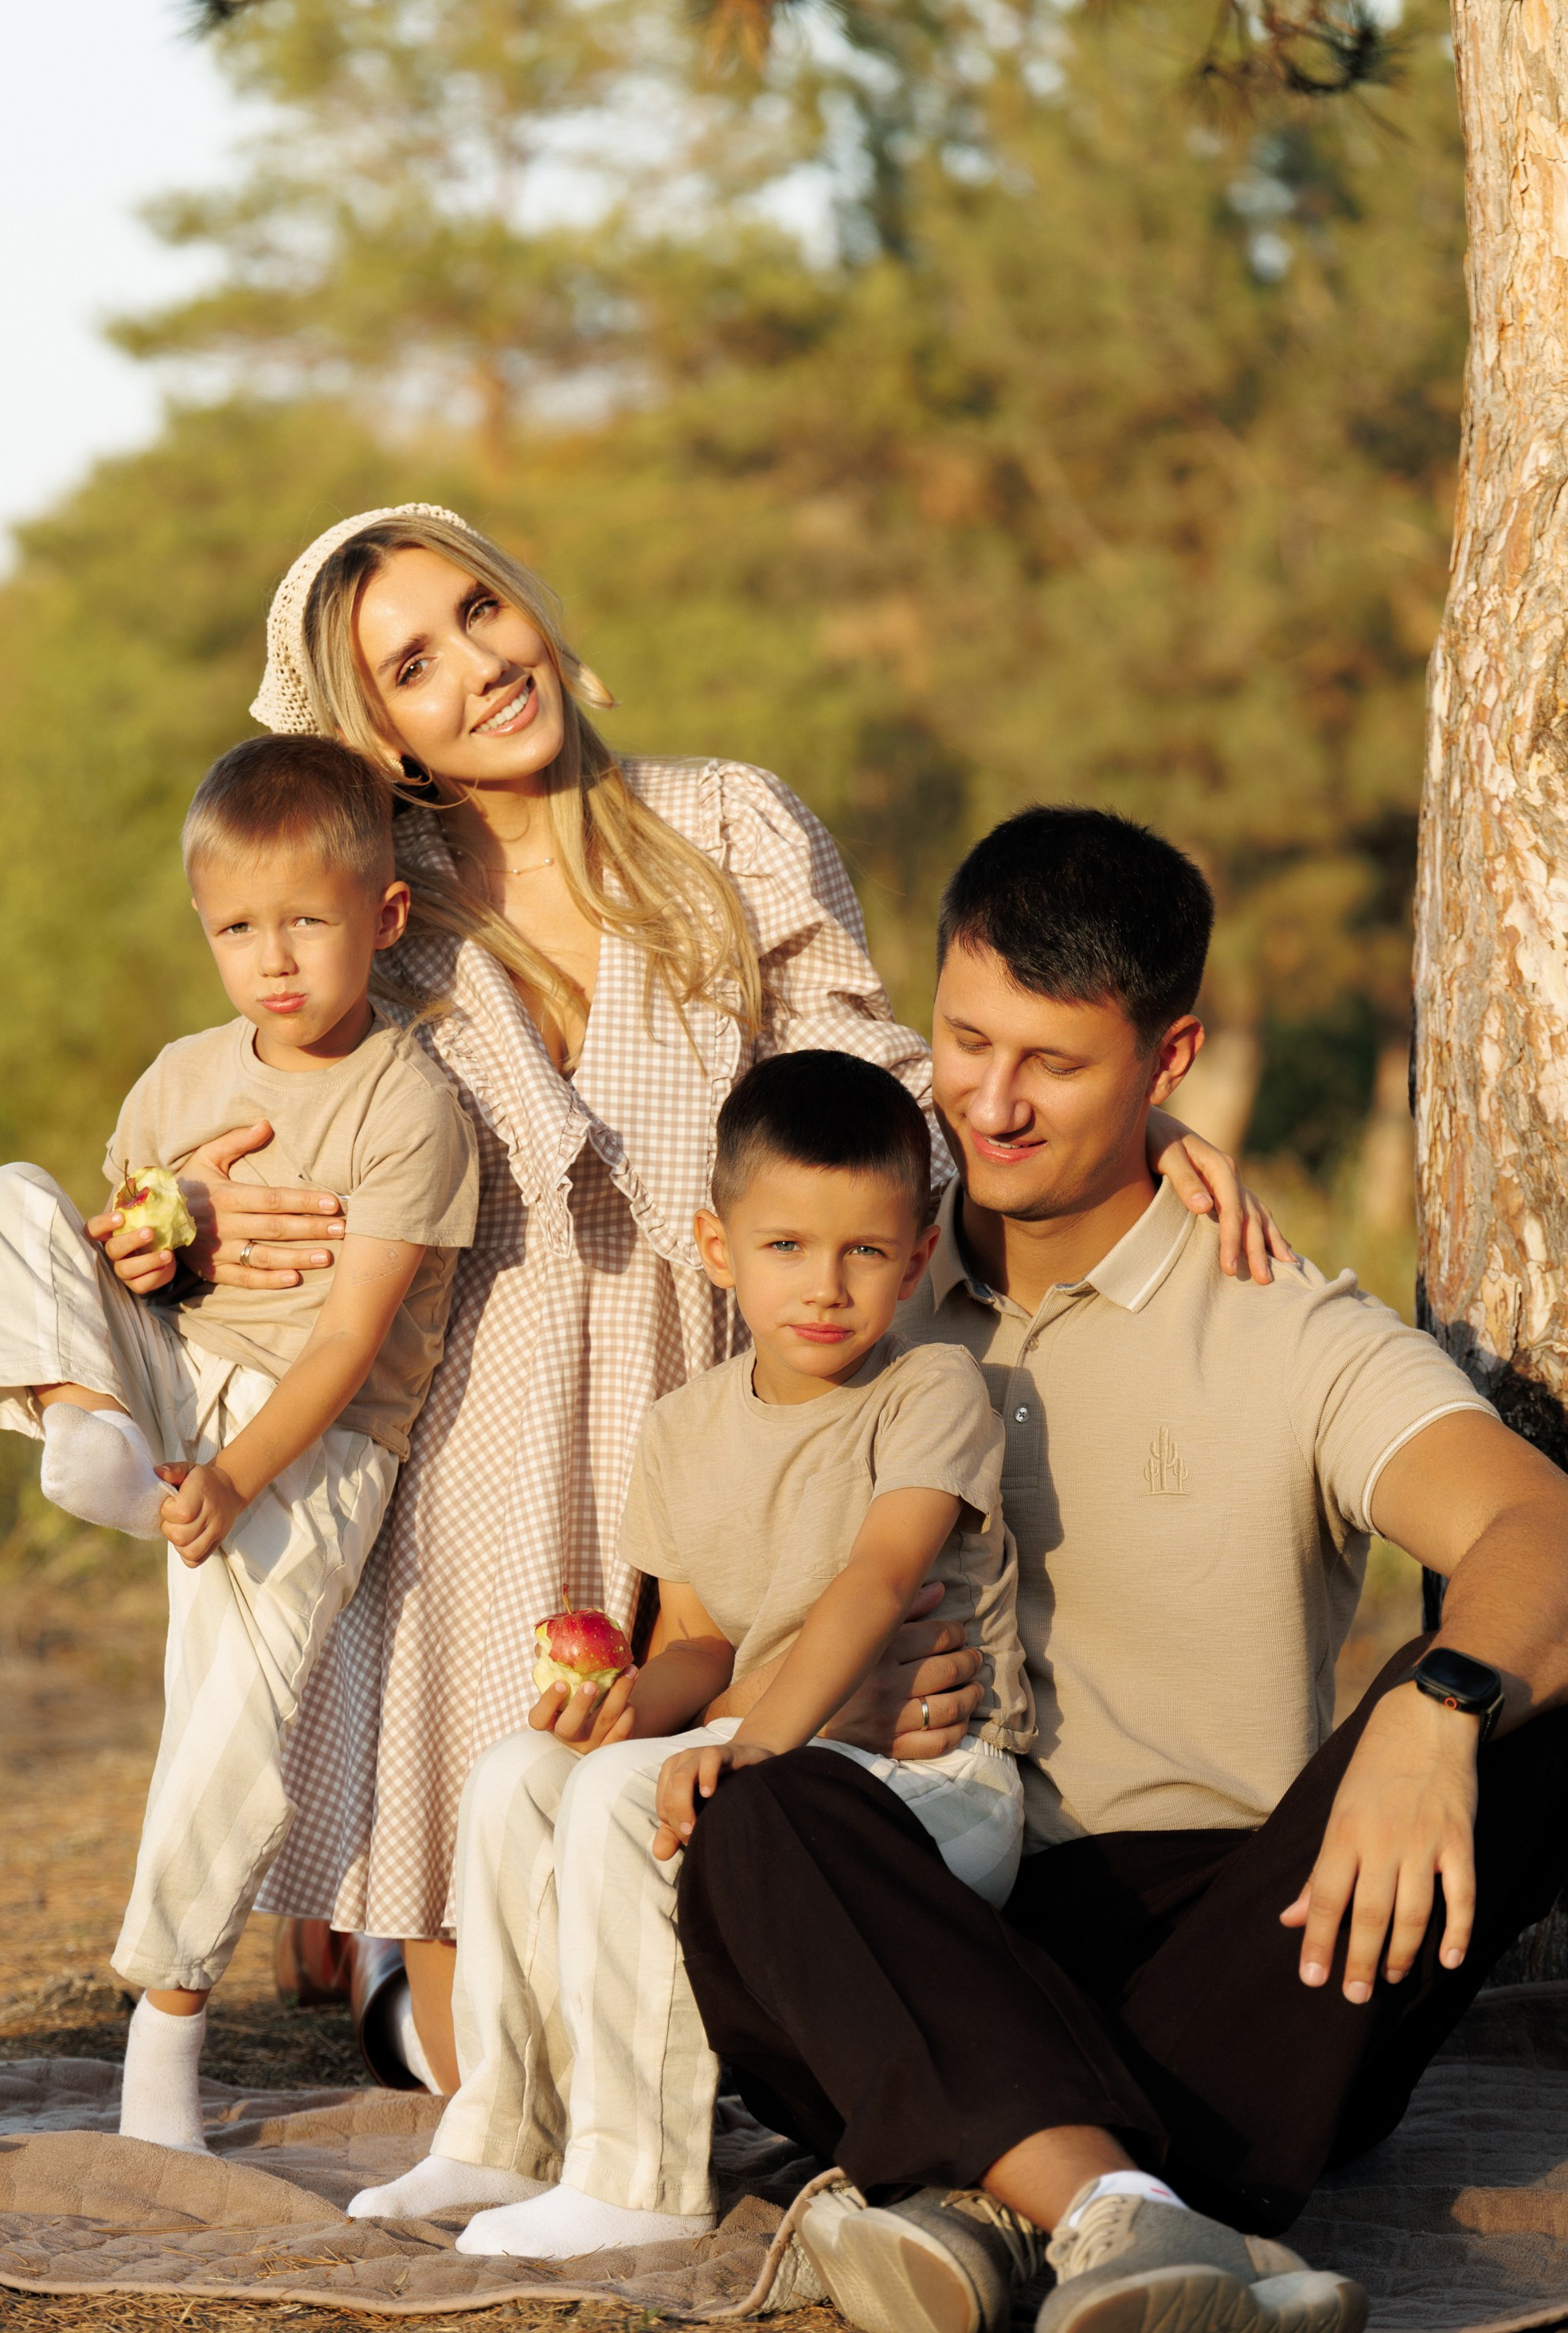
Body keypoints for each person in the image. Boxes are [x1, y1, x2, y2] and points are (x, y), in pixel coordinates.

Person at [90, 505, 1272, 2084]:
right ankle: (391, 1970)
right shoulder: (381, 895)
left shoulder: (730, 827)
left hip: (720, 1427)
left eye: (479, 607)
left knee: (710, 1922)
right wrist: (193, 1227)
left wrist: (1107, 1118)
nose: (480, 664)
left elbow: (872, 1088)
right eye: (413, 666)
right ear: (380, 731)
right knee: (516, 2022)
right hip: (472, 1464)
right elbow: (282, 1090)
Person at [675, 806, 1568, 2333]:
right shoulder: (851, 1277)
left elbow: (1537, 1524)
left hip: (1242, 1959)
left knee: (1541, 1702)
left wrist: (1433, 1710)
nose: (988, 1103)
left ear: (1169, 1064)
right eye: (962, 1041)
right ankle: (1125, 2219)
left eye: (1053, 1065)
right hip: (924, 1905)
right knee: (764, 1810)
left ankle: (982, 2202)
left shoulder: (1286, 1323)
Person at [346, 1049, 1033, 2257]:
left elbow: (878, 1580)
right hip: (775, 1745)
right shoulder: (685, 1424)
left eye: (865, 1251)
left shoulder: (932, 1388)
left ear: (918, 1254)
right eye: (787, 1246)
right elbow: (702, 1640)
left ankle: (641, 2178)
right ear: (720, 1248)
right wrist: (627, 1706)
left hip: (936, 1786)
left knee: (622, 1796)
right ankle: (505, 2131)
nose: (825, 1284)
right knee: (521, 1772)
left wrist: (747, 1747)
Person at [0, 734, 476, 2152]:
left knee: (226, 1713)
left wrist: (238, 1476)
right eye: (240, 928)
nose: (277, 960)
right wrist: (141, 1235)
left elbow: (355, 1336)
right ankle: (87, 1429)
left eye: (308, 920)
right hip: (167, 1380)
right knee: (0, 1197)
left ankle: (166, 2046)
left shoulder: (410, 1103)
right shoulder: (182, 1076)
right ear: (205, 928)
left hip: (308, 1443)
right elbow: (133, 1252)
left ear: (386, 918)